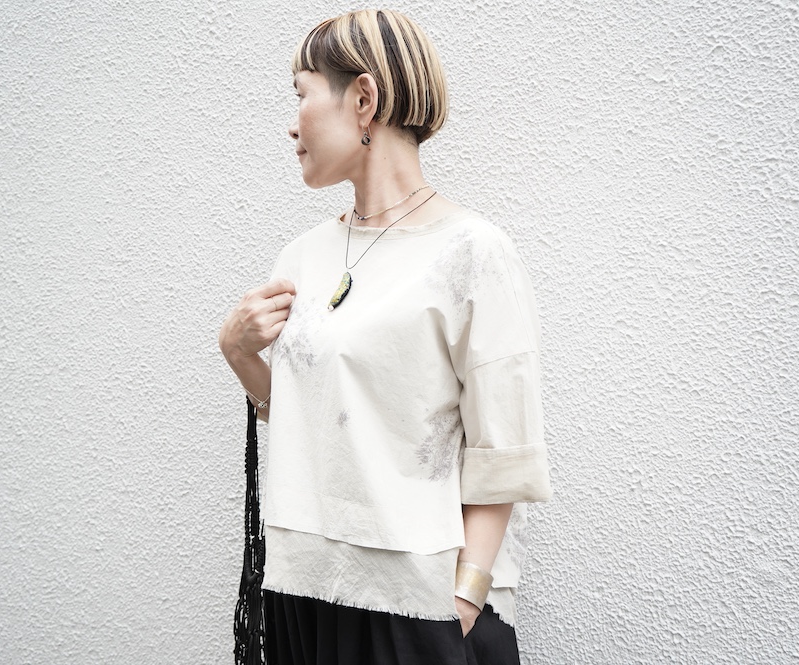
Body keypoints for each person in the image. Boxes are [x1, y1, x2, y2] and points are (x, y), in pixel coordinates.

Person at [219, 9, 551, 664]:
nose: (292, 124)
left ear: (363, 99)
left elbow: (503, 449)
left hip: (415, 604)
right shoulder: (303, 256)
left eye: (302, 94)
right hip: (303, 591)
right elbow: (312, 419)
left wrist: (463, 601)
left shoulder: (472, 252)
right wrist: (236, 351)